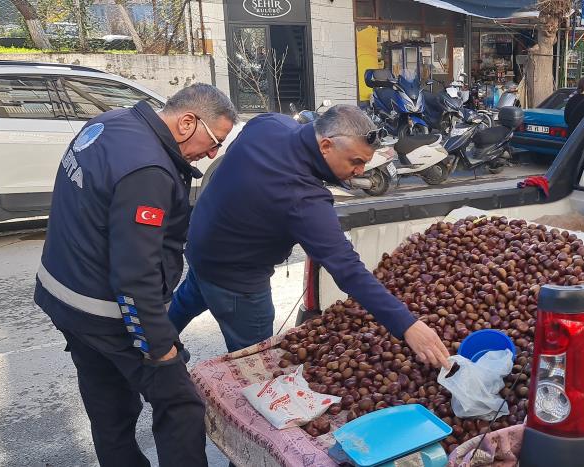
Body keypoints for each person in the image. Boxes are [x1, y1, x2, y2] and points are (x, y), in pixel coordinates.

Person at [34, 84, 237, 467]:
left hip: (63, 296)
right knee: (179, 404)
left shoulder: (111, 123)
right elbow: (135, 273)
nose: (213, 154)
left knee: (108, 404)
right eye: (214, 141)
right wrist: (159, 345)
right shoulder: (150, 170)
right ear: (187, 121)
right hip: (106, 312)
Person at [169, 105, 452, 368]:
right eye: (355, 161)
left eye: (365, 163)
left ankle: (152, 344)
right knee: (254, 363)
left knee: (186, 300)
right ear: (326, 145)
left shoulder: (269, 124)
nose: (360, 171)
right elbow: (348, 271)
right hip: (238, 281)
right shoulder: (303, 199)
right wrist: (408, 325)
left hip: (201, 248)